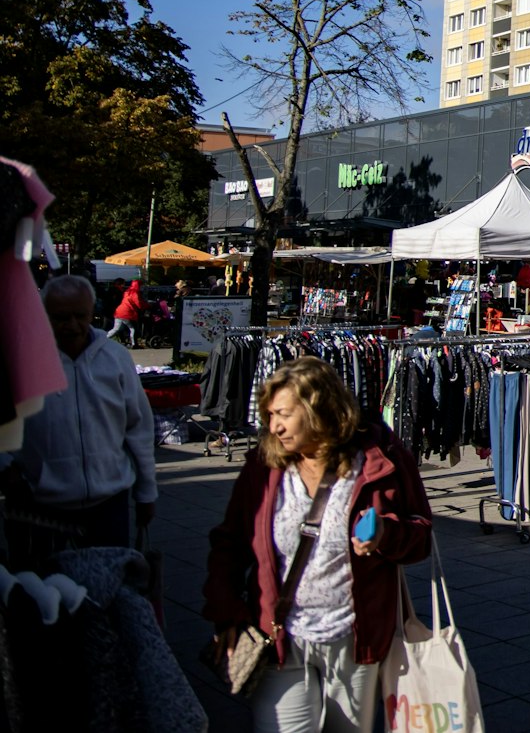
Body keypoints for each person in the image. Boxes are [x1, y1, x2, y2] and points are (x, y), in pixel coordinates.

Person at [204, 357, 433, 733]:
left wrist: (384, 537)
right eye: (269, 414)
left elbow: (420, 535)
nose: (273, 426)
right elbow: (229, 541)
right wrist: (226, 611)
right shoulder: (265, 467)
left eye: (283, 414)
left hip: (356, 636)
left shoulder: (380, 460)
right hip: (279, 633)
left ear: (318, 409)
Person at [0, 276, 157, 557]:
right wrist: (7, 468)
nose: (71, 325)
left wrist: (146, 492)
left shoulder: (115, 357)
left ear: (92, 313)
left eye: (79, 315)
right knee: (45, 594)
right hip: (40, 505)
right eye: (60, 317)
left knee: (108, 591)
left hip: (108, 503)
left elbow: (139, 427)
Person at [109, 276, 143, 346]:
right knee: (133, 328)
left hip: (118, 311)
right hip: (126, 313)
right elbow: (139, 304)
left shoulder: (127, 291)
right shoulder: (134, 292)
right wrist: (148, 305)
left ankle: (103, 339)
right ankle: (134, 344)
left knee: (116, 329)